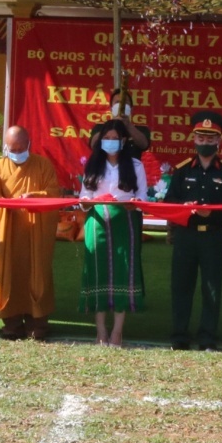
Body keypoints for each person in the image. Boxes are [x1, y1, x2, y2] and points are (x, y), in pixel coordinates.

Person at [164, 111, 222, 350]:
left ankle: (207, 337)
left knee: (211, 288)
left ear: (219, 141)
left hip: (213, 235)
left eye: (210, 139)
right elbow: (169, 201)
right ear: (194, 139)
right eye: (201, 138)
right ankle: (179, 336)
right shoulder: (182, 170)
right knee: (181, 286)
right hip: (186, 236)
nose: (205, 143)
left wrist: (214, 213)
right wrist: (183, 208)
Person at [0, 125, 63, 340]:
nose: (17, 152)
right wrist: (9, 205)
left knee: (38, 274)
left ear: (29, 145)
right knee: (7, 273)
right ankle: (11, 325)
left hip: (36, 233)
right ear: (5, 147)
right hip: (7, 232)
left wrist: (34, 197)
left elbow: (54, 194)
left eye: (21, 147)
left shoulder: (43, 165)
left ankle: (38, 324)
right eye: (12, 148)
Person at [79, 120, 147, 345]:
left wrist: (134, 203)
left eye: (114, 138)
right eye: (105, 138)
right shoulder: (93, 164)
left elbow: (143, 199)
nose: (110, 142)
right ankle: (100, 331)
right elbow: (83, 198)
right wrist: (87, 202)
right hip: (97, 222)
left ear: (124, 140)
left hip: (125, 223)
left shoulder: (135, 165)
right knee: (97, 271)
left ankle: (117, 331)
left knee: (123, 271)